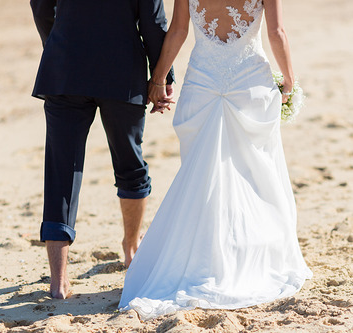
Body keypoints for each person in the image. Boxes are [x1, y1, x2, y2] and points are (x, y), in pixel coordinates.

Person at [119, 0, 312, 319]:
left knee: (203, 175)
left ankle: (205, 258)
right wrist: (289, 80)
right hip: (249, 80)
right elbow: (276, 32)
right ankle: (251, 253)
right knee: (256, 173)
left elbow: (179, 31)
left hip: (203, 82)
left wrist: (158, 79)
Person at [30, 0, 175, 299]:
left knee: (60, 172)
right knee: (130, 164)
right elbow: (153, 22)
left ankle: (58, 282)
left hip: (65, 66)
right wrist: (161, 78)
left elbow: (41, 5)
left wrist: (57, 41)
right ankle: (131, 249)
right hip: (121, 72)